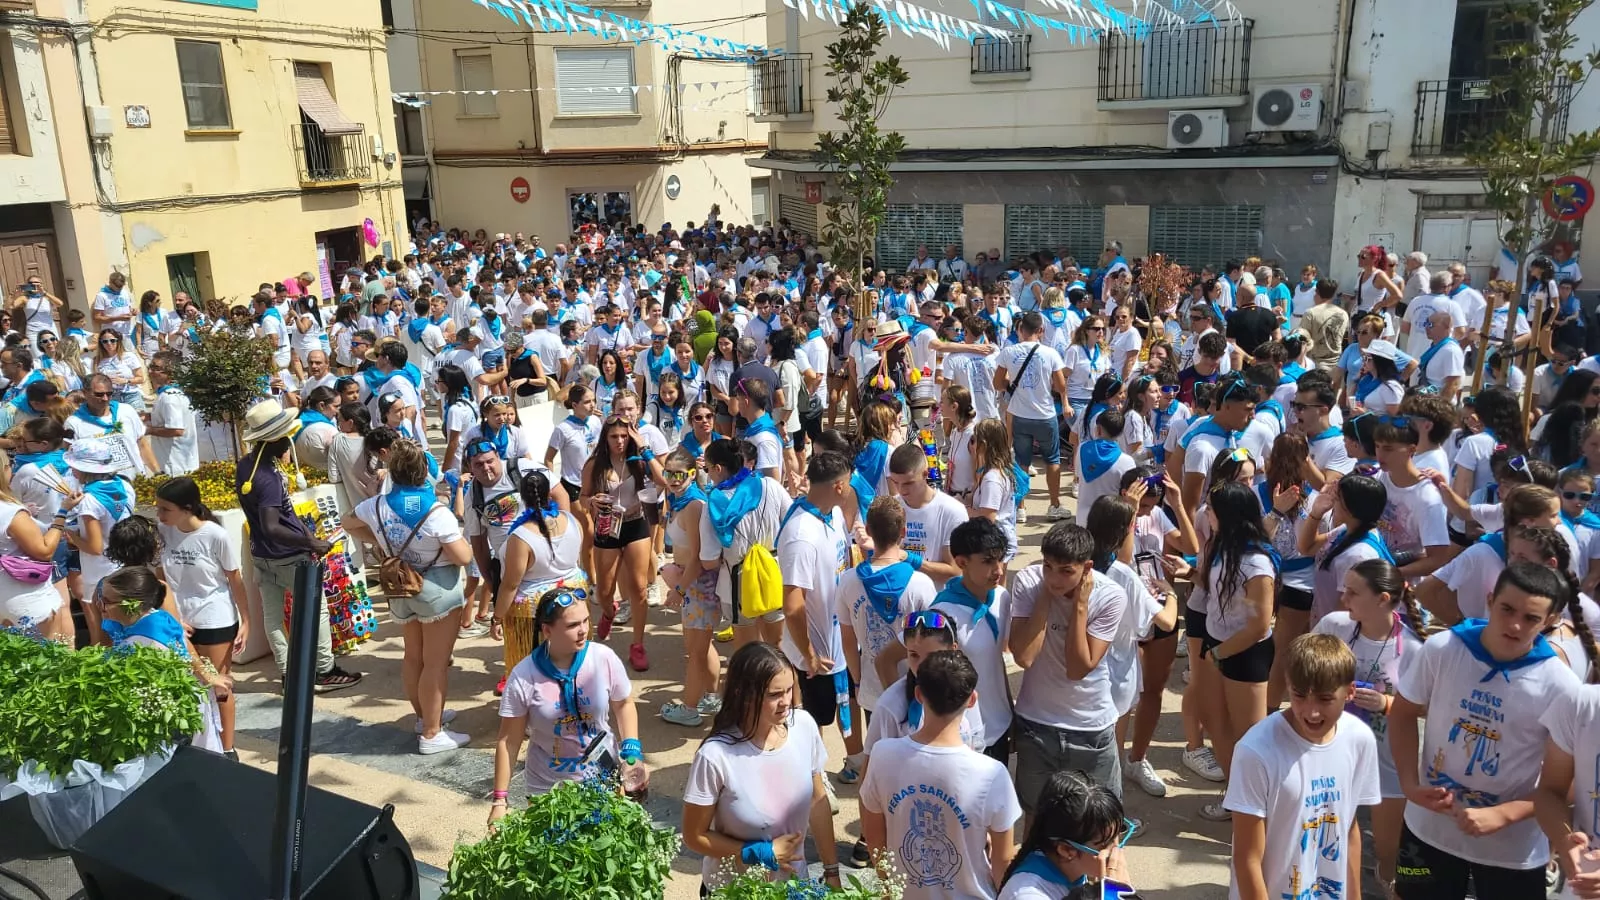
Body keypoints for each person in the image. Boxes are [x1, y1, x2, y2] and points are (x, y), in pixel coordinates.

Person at [1390, 563, 1583, 900]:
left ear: (1550, 620)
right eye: (1507, 609)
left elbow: (1564, 783)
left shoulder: (1561, 686)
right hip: (1428, 829)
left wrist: (1504, 814)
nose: (1515, 624)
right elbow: (1403, 714)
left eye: (1531, 617)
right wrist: (1409, 783)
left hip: (1512, 850)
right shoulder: (1442, 649)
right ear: (1491, 600)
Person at [1225, 633, 1381, 900]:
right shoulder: (1255, 752)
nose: (1311, 712)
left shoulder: (1359, 739)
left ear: (1350, 692)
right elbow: (1247, 858)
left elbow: (1349, 830)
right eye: (1299, 696)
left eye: (1324, 699)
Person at [859, 649, 1022, 900]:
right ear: (972, 700)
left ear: (918, 694)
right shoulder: (992, 774)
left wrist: (889, 889)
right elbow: (1001, 863)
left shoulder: (882, 754)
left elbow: (874, 837)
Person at [344, 440, 472, 754]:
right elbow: (462, 556)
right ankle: (432, 732)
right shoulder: (435, 510)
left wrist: (379, 542)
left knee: (413, 656)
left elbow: (348, 522)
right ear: (423, 472)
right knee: (436, 664)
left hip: (400, 585)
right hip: (436, 589)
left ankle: (424, 716)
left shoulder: (376, 505)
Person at [681, 641, 842, 890]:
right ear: (742, 695)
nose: (786, 701)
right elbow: (694, 836)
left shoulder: (805, 727)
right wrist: (754, 852)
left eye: (789, 690)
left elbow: (818, 801)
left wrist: (832, 872)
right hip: (734, 892)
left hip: (793, 889)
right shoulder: (714, 756)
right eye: (774, 694)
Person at [1311, 559, 1430, 891]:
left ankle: (1389, 888)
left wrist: (1387, 703)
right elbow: (1303, 671)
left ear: (1382, 599)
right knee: (1329, 836)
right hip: (1333, 754)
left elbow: (1430, 708)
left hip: (1386, 763)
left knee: (1389, 851)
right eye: (1344, 589)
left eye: (1353, 592)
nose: (1343, 597)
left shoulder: (1414, 649)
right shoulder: (1334, 626)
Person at [234, 399, 361, 692]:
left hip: (263, 556)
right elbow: (271, 524)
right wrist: (310, 541)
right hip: (288, 558)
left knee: (274, 617)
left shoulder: (247, 466)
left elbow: (279, 516)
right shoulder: (266, 477)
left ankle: (287, 673)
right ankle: (323, 671)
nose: (292, 440)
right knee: (317, 611)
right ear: (275, 439)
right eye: (288, 435)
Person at [489, 585, 644, 814]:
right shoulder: (524, 676)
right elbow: (508, 741)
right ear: (547, 630)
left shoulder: (603, 658)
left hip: (604, 777)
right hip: (548, 787)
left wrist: (632, 750)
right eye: (572, 625)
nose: (583, 630)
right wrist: (499, 801)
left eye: (585, 621)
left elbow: (623, 703)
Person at [1009, 522, 1129, 806]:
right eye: (1048, 566)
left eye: (1066, 571)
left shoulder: (1110, 596)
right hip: (1036, 724)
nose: (1054, 578)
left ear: (1087, 567)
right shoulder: (1029, 582)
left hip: (1091, 728)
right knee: (1037, 821)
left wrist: (1080, 606)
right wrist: (1045, 597)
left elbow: (1078, 668)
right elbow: (1025, 657)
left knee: (1099, 824)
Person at [778, 451, 861, 778]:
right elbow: (793, 604)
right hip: (814, 654)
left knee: (847, 702)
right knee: (812, 718)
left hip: (839, 640)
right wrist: (809, 653)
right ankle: (815, 776)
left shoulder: (834, 516)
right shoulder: (801, 534)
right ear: (839, 486)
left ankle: (854, 759)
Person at [153, 476, 248, 757]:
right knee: (187, 685)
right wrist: (167, 614)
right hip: (178, 620)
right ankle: (202, 744)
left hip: (214, 619)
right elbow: (161, 577)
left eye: (165, 509)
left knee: (218, 684)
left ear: (187, 508)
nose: (159, 515)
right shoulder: (163, 530)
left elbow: (235, 578)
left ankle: (228, 748)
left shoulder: (214, 535)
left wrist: (247, 620)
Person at [97, 565, 226, 753]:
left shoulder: (147, 644)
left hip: (172, 717)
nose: (100, 605)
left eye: (106, 601)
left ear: (132, 604)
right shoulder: (153, 617)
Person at [839, 497, 938, 731]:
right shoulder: (921, 583)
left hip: (872, 689)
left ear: (870, 531)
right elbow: (933, 642)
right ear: (903, 531)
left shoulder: (849, 581)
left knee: (879, 754)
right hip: (915, 692)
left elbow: (848, 640)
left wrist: (857, 681)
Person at [492, 467, 587, 696]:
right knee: (569, 663)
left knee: (532, 668)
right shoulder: (573, 521)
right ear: (549, 494)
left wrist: (497, 617)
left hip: (533, 613)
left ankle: (533, 714)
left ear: (521, 497)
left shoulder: (521, 536)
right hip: (573, 602)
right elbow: (577, 561)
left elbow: (510, 584)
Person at [582, 414, 663, 670]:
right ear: (605, 438)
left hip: (635, 522)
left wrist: (644, 447)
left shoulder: (639, 461)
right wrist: (591, 502)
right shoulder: (594, 464)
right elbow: (583, 496)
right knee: (604, 591)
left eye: (624, 436)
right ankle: (609, 611)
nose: (619, 441)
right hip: (607, 526)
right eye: (614, 436)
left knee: (639, 588)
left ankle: (637, 644)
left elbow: (663, 481)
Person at [934, 517, 1016, 765]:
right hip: (967, 739)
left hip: (1000, 726)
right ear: (962, 563)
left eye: (1001, 559)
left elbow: (995, 663)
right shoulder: (942, 614)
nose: (999, 570)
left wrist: (1010, 713)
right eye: (988, 561)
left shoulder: (1002, 597)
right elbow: (894, 659)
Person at [697, 438, 789, 649]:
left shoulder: (712, 505)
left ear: (718, 468)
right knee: (778, 647)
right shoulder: (770, 486)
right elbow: (790, 524)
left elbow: (709, 561)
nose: (708, 474)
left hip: (735, 583)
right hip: (774, 575)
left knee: (748, 651)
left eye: (707, 468)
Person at [658, 447, 723, 726]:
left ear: (692, 474)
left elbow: (698, 557)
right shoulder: (678, 499)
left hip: (698, 586)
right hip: (691, 584)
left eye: (679, 474)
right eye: (668, 473)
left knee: (696, 651)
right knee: (701, 646)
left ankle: (690, 708)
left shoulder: (694, 505)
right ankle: (711, 696)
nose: (673, 479)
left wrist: (680, 590)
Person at [997, 770, 1132, 900]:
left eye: (1117, 837)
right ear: (1066, 850)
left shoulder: (1073, 868)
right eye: (1104, 845)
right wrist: (1111, 894)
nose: (1116, 851)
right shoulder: (1027, 895)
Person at [994, 311, 1070, 522]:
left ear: (1020, 329)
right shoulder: (1051, 353)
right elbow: (1060, 385)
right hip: (1045, 414)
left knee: (1021, 461)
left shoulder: (1009, 352)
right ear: (1041, 331)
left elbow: (997, 384)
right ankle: (1054, 505)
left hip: (1019, 414)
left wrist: (1011, 384)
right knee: (1052, 460)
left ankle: (1020, 507)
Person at [888, 443, 968, 585]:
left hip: (936, 603)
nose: (901, 490)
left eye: (908, 483)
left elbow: (956, 571)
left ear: (925, 474)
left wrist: (911, 559)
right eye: (895, 483)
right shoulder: (890, 508)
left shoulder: (953, 511)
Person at [145, 351, 198, 476]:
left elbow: (176, 430)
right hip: (177, 463)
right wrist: (149, 416)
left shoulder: (170, 398)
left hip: (175, 466)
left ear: (170, 373)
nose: (151, 371)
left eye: (156, 368)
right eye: (150, 367)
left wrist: (148, 430)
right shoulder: (171, 394)